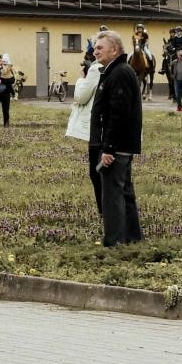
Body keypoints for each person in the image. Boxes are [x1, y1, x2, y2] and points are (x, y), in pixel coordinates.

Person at [89, 30, 143, 247]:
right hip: (119, 145)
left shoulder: (119, 73)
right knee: (124, 192)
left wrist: (109, 148)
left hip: (115, 146)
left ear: (115, 49)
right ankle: (132, 238)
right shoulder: (113, 71)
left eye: (100, 47)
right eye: (95, 47)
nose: (95, 51)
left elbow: (118, 114)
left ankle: (115, 242)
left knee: (112, 195)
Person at [65, 54, 103, 214]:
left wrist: (81, 78)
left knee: (96, 172)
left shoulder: (95, 69)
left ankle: (103, 210)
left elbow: (80, 97)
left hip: (95, 128)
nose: (96, 51)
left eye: (99, 48)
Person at [0, 55, 17, 127]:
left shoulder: (8, 69)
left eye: (2, 61)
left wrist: (3, 79)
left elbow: (12, 80)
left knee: (6, 110)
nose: (0, 63)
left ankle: (6, 124)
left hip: (5, 93)